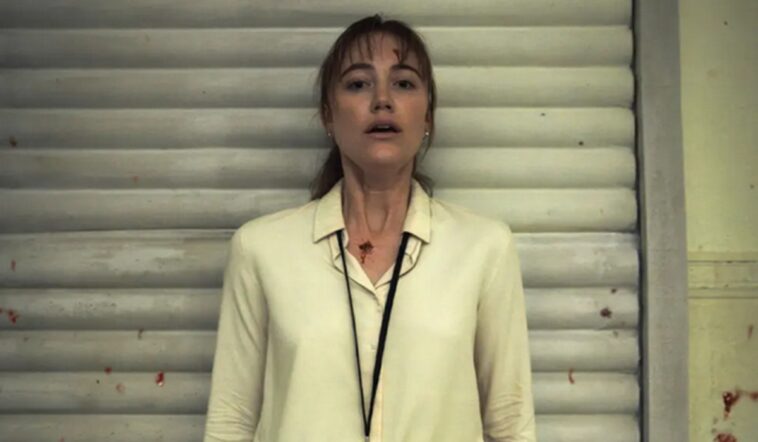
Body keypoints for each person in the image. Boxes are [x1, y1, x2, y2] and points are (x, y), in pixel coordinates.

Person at [203, 14, 536, 442]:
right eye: (358, 84)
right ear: (328, 115)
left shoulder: (484, 248)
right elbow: (231, 421)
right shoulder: (261, 249)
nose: (382, 100)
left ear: (428, 115)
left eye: (404, 83)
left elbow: (510, 424)